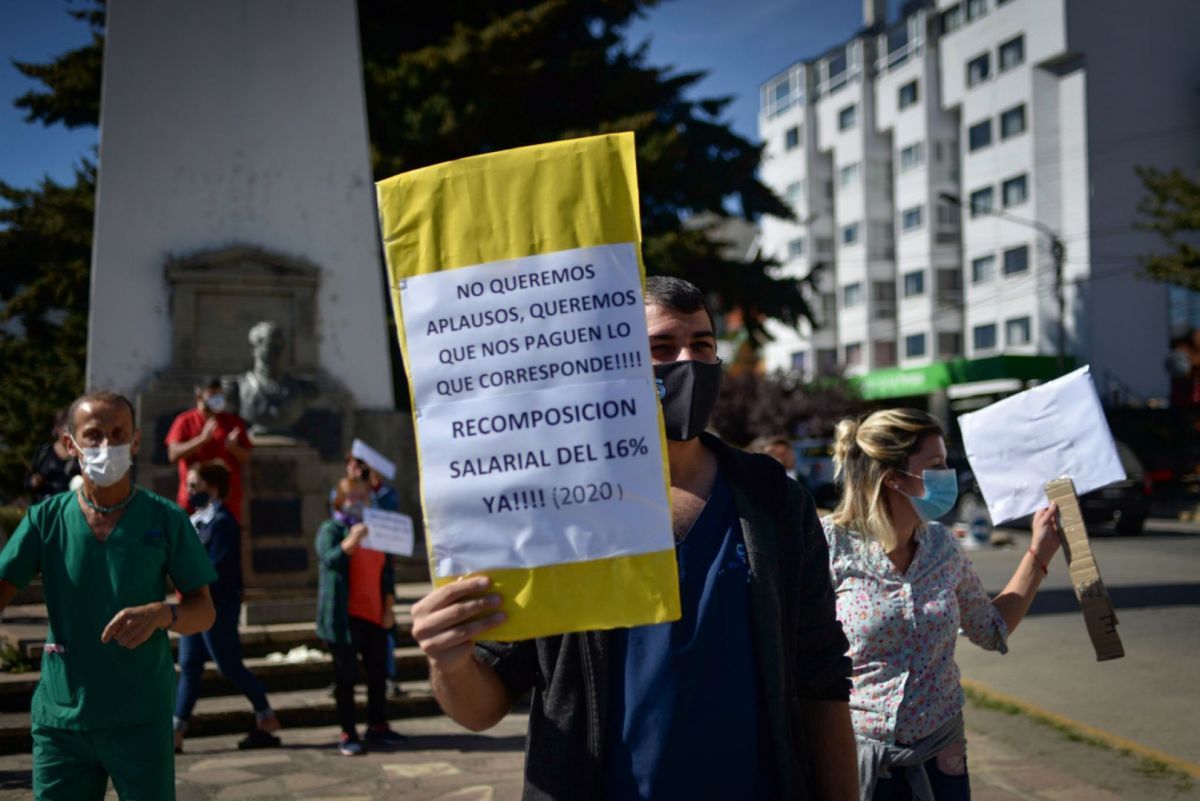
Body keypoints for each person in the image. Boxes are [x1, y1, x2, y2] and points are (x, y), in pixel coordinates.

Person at [410, 276, 858, 800]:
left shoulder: (774, 500)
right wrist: (449, 660)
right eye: (661, 348)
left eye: (702, 345)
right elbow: (482, 706)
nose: (688, 361)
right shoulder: (552, 510)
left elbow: (820, 677)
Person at [823, 408, 1062, 800]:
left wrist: (1039, 552)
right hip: (858, 761)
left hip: (941, 758)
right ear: (893, 477)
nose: (948, 475)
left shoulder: (943, 546)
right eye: (935, 466)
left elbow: (989, 629)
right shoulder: (828, 545)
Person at [0, 391, 216, 801]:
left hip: (140, 717)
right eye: (94, 435)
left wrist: (163, 614)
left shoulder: (166, 519)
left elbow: (203, 610)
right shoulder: (45, 520)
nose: (106, 446)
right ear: (70, 444)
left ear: (135, 442)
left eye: (118, 434)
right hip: (63, 719)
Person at [173, 460, 281, 753]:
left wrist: (182, 575)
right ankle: (176, 732)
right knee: (190, 666)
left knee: (228, 663)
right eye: (188, 485)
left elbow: (215, 568)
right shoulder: (195, 521)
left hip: (217, 606)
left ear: (212, 487)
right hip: (192, 604)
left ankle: (265, 716)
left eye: (194, 485)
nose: (189, 490)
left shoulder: (222, 522)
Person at [315, 477, 406, 756]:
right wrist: (351, 540)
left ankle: (378, 726)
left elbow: (386, 573)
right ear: (339, 501)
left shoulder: (376, 532)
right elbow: (329, 559)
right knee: (346, 678)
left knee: (378, 674)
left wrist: (388, 608)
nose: (356, 502)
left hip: (374, 615)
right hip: (344, 618)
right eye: (350, 497)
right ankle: (348, 732)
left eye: (362, 497)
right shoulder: (331, 529)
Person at [165, 377, 253, 521]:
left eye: (220, 394)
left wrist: (234, 448)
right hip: (194, 498)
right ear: (199, 396)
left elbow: (247, 457)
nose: (217, 398)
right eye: (212, 394)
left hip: (225, 499)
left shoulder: (232, 422)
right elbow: (173, 454)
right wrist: (201, 440)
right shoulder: (184, 421)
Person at [23, 409, 80, 504]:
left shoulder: (80, 454)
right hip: (44, 507)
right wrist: (33, 482)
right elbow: (27, 481)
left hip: (71, 507)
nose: (70, 433)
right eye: (67, 428)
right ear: (57, 429)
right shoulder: (44, 453)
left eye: (73, 428)